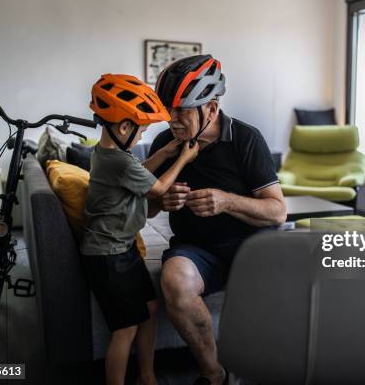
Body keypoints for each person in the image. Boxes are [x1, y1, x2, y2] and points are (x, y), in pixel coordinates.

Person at [147, 55, 287, 385]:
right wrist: (161, 200)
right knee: (175, 281)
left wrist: (225, 201)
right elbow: (148, 211)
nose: (173, 119)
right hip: (195, 250)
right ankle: (214, 375)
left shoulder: (246, 139)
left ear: (211, 108)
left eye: (182, 109)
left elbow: (278, 211)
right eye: (169, 108)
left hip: (249, 248)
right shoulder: (165, 143)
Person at [81, 74, 199, 385]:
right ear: (123, 127)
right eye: (141, 131)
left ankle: (147, 376)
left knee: (148, 310)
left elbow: (137, 173)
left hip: (123, 249)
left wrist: (164, 153)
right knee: (126, 329)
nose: (141, 137)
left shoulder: (108, 153)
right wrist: (184, 157)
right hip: (108, 256)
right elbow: (159, 187)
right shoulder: (118, 161)